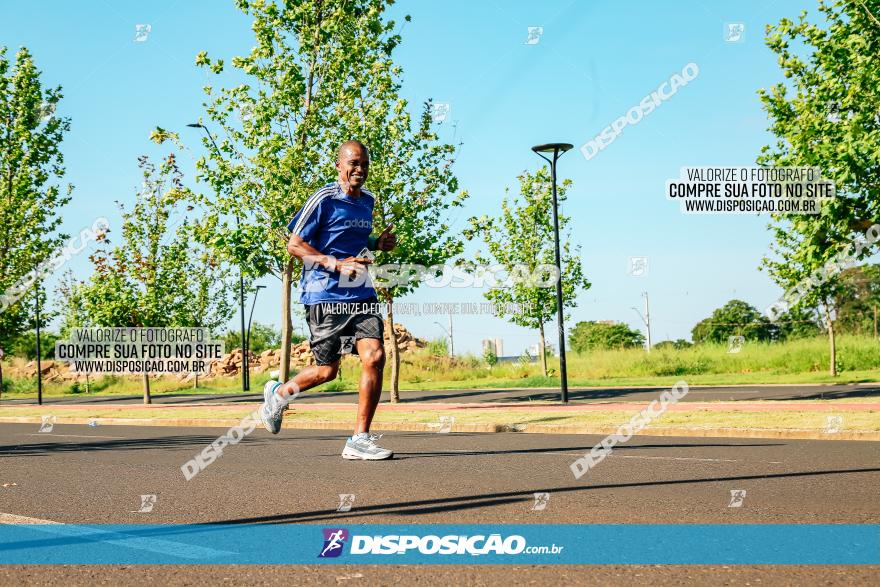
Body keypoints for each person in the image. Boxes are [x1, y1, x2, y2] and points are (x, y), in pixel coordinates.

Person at [259, 140, 397, 460]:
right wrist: (335, 263)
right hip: (324, 295)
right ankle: (279, 394)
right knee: (326, 371)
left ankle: (359, 439)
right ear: (339, 166)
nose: (359, 169)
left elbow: (356, 239)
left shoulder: (368, 202)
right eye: (352, 163)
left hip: (361, 291)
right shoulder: (323, 199)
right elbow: (295, 245)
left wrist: (379, 243)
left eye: (363, 163)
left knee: (374, 356)